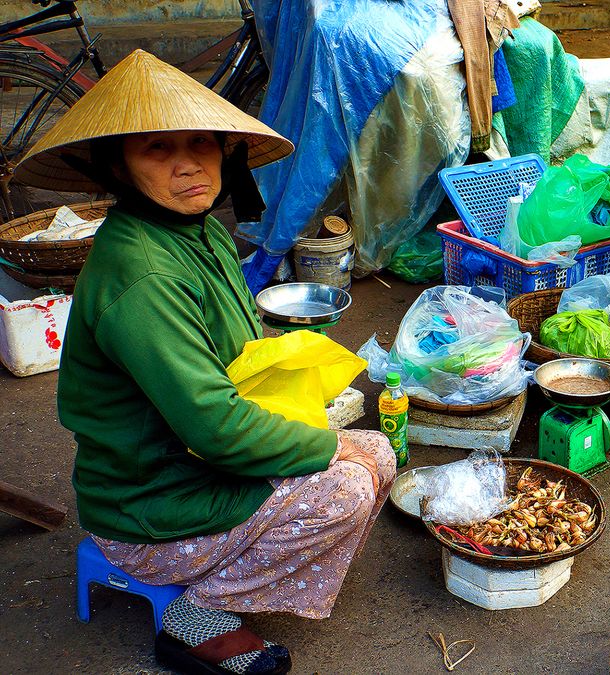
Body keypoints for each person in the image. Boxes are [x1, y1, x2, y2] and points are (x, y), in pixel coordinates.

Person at [15, 51, 396, 675]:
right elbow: (213, 425)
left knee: (376, 450)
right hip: (151, 505)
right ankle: (197, 614)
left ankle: (239, 570)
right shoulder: (141, 272)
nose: (189, 163)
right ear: (118, 166)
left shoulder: (200, 231)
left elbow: (237, 359)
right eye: (157, 148)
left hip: (198, 466)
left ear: (226, 149)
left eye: (201, 143)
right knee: (345, 488)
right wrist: (327, 450)